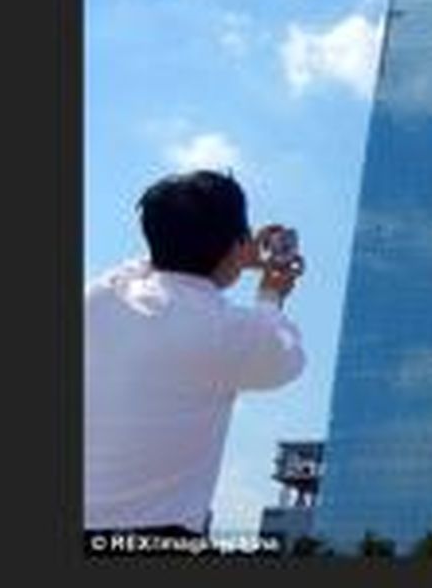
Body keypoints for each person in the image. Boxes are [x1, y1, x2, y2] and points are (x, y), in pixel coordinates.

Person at [84, 170, 306, 553]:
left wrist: (231, 251)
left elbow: (152, 260)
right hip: (160, 538)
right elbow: (285, 356)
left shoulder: (102, 298)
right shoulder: (227, 334)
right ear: (237, 244)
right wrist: (270, 293)